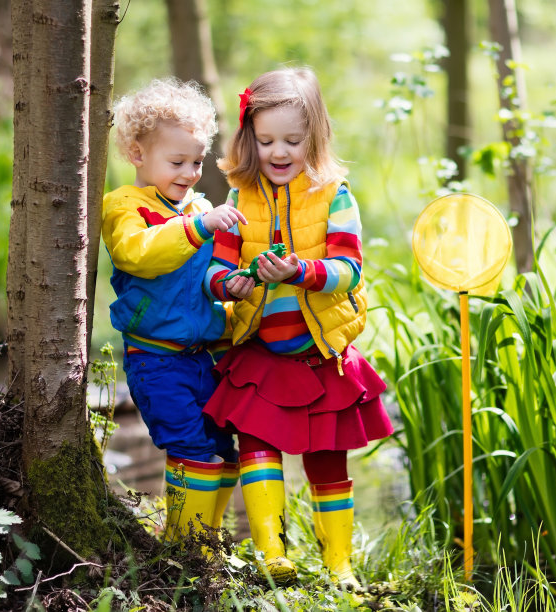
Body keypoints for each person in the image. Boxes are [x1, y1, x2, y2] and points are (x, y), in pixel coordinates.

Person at [202, 67, 394, 588]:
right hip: (261, 352)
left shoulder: (335, 194)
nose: (279, 152)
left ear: (316, 136)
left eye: (292, 140)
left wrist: (300, 273)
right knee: (256, 445)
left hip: (322, 350)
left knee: (328, 459)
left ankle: (340, 566)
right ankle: (273, 554)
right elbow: (216, 270)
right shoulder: (240, 198)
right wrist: (231, 286)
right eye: (266, 141)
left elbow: (348, 270)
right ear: (249, 139)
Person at [101, 77, 247, 547]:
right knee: (190, 446)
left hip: (203, 355)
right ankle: (187, 547)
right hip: (156, 359)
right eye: (177, 161)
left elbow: (206, 275)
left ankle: (206, 539)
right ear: (138, 154)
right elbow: (139, 255)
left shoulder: (199, 206)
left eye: (197, 162)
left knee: (223, 450)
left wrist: (231, 286)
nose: (189, 172)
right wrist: (199, 224)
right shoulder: (127, 206)